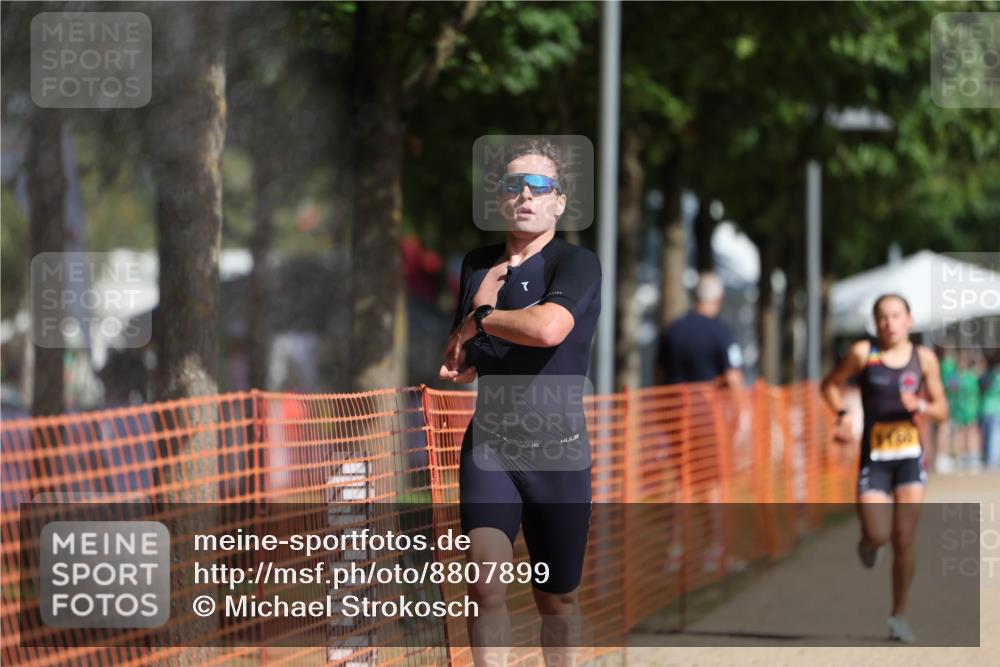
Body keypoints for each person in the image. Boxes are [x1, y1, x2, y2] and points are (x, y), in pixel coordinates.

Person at [439, 138, 601, 666]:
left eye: (540, 186)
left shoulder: (576, 263)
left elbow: (550, 328)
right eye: (514, 185)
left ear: (560, 201)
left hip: (559, 453)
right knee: (484, 583)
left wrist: (481, 320)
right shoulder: (475, 264)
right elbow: (463, 356)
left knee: (557, 598)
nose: (526, 195)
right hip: (492, 448)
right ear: (500, 198)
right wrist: (463, 353)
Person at [820, 294, 948, 643]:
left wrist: (921, 404)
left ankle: (899, 616)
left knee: (904, 537)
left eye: (896, 315)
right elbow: (829, 385)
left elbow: (942, 410)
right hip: (874, 458)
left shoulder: (924, 359)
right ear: (876, 323)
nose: (890, 323)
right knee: (879, 534)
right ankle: (869, 542)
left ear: (910, 319)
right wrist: (843, 415)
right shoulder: (864, 354)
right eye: (883, 317)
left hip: (909, 458)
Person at [654, 272, 744, 392]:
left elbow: (659, 375)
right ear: (720, 298)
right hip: (709, 408)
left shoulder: (672, 329)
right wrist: (742, 409)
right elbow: (733, 377)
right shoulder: (722, 332)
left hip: (674, 408)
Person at [980, 352, 1000, 470]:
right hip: (993, 410)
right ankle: (992, 460)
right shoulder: (992, 376)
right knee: (993, 436)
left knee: (991, 436)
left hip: (988, 410)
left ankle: (991, 460)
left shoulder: (988, 375)